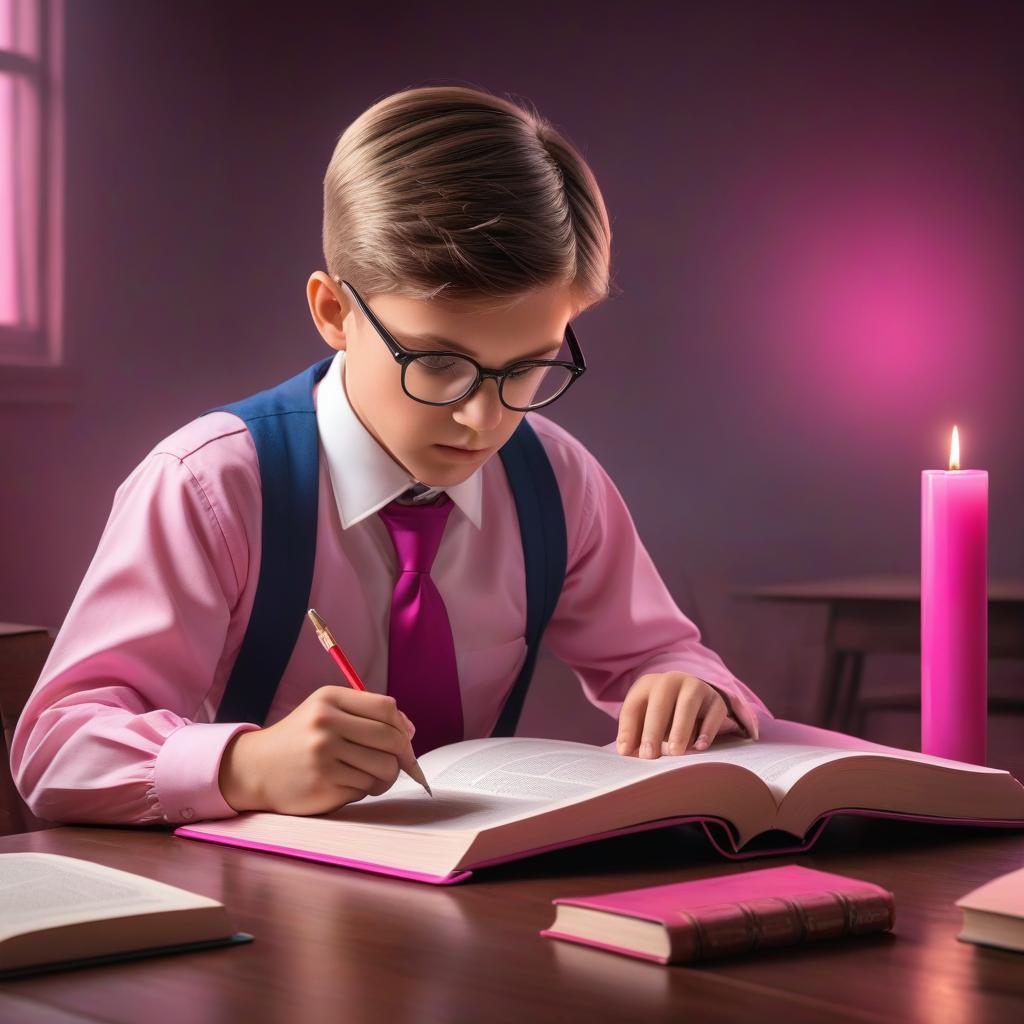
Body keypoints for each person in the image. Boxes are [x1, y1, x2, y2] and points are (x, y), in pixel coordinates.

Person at [11, 84, 772, 828]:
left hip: (481, 902)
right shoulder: (212, 487)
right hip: (249, 909)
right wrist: (246, 765)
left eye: (527, 368)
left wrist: (690, 687)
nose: (483, 417)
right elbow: (55, 750)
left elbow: (662, 655)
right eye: (440, 363)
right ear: (334, 312)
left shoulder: (557, 480)